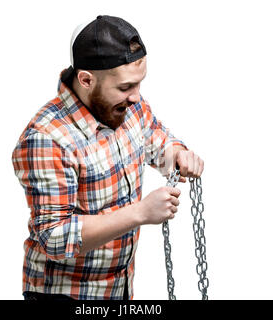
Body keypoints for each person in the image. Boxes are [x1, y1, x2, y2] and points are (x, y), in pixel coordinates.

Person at [12, 15, 204, 301]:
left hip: (118, 290)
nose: (137, 97)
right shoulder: (46, 138)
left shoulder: (127, 109)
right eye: (126, 87)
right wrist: (140, 213)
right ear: (86, 80)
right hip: (64, 296)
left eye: (139, 84)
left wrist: (179, 156)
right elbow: (55, 237)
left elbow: (157, 143)